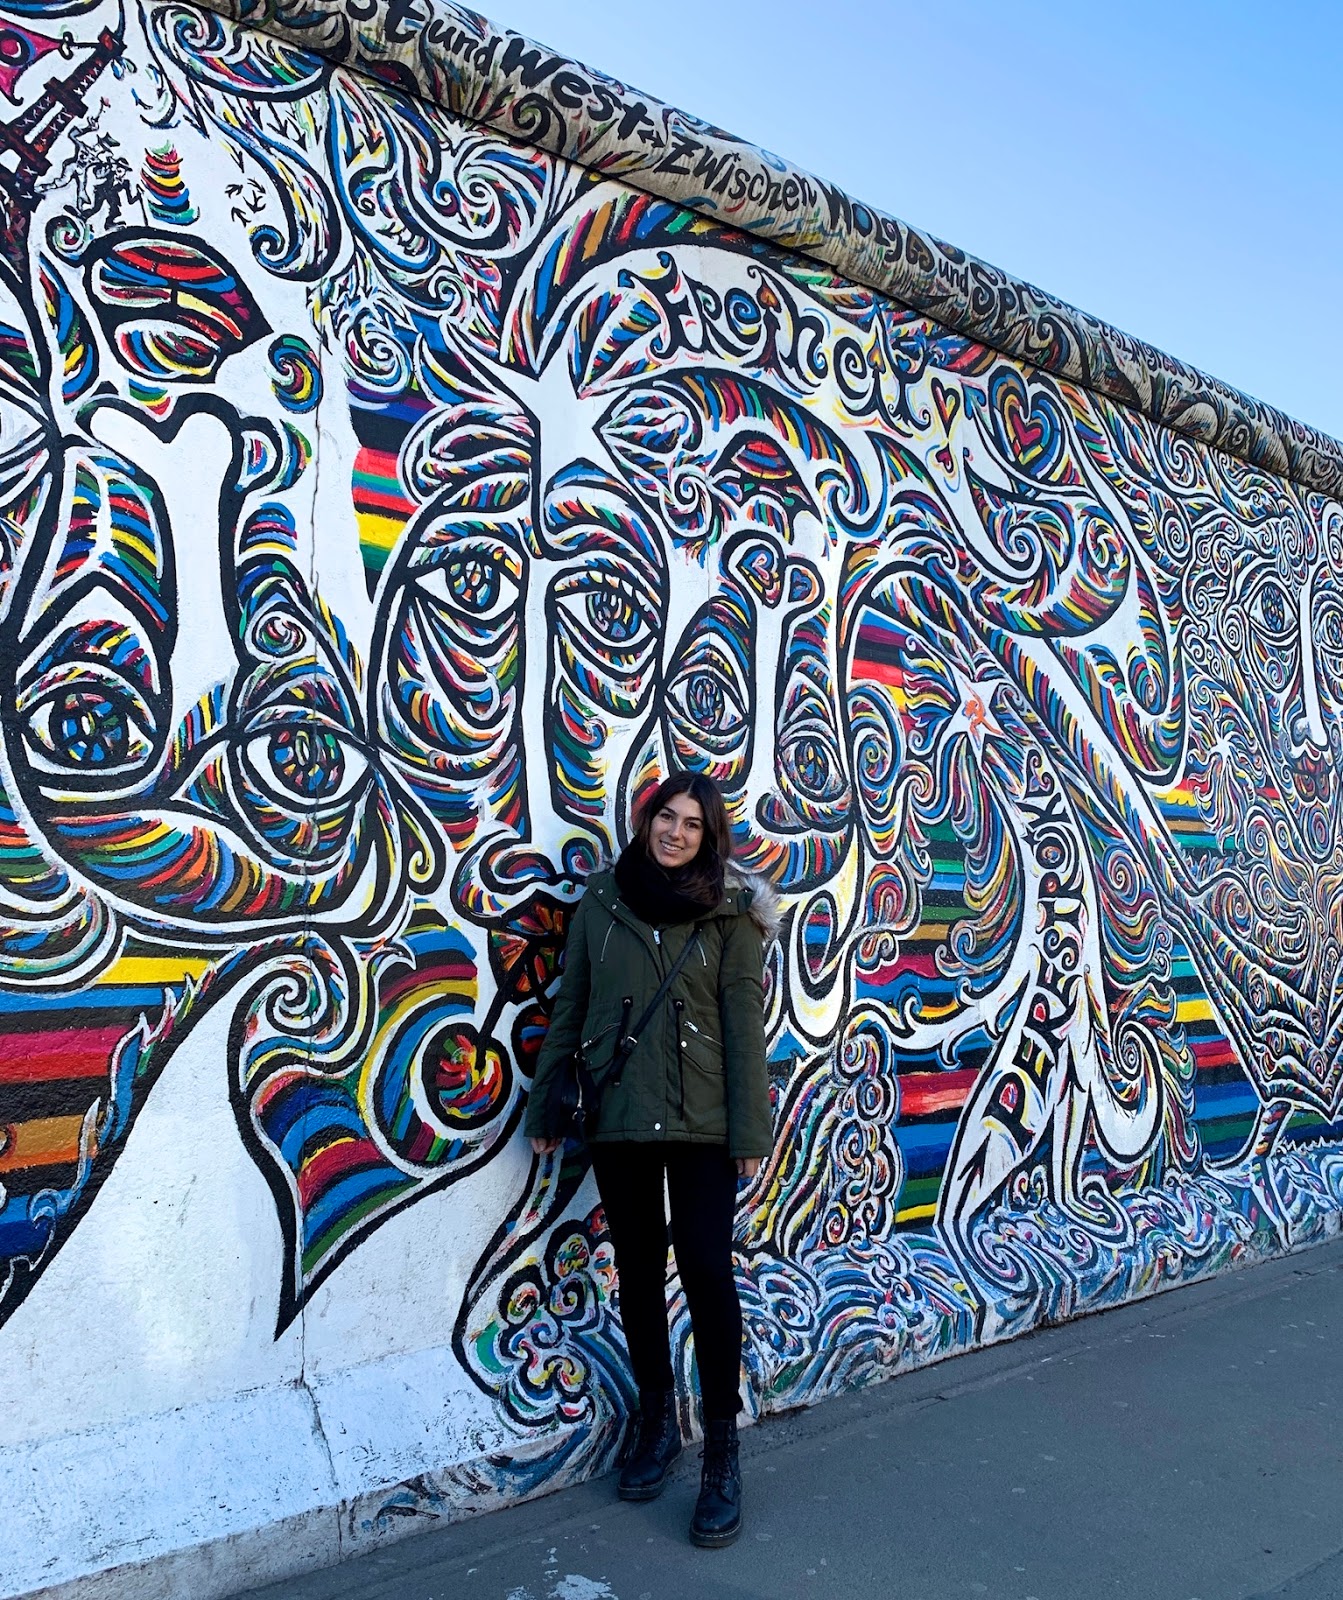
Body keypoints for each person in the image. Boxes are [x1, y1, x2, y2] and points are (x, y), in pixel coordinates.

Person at [526, 771, 778, 1548]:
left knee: (704, 1267)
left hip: (705, 1121)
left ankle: (722, 1453)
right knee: (636, 1269)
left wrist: (750, 1133)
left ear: (709, 837)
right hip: (622, 1114)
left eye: (691, 824)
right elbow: (572, 1005)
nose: (675, 832)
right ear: (646, 821)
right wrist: (544, 1105)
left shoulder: (732, 912)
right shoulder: (602, 901)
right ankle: (657, 1422)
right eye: (666, 817)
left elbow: (743, 1026)